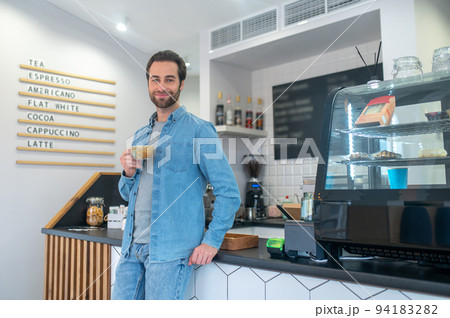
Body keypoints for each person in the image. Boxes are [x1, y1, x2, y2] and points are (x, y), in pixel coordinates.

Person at [112, 50, 240, 300]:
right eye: (154, 79)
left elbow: (228, 192)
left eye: (169, 79)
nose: (161, 86)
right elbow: (128, 194)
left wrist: (212, 240)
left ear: (181, 83)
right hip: (131, 250)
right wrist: (127, 173)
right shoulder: (140, 135)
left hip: (169, 253)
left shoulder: (200, 131)